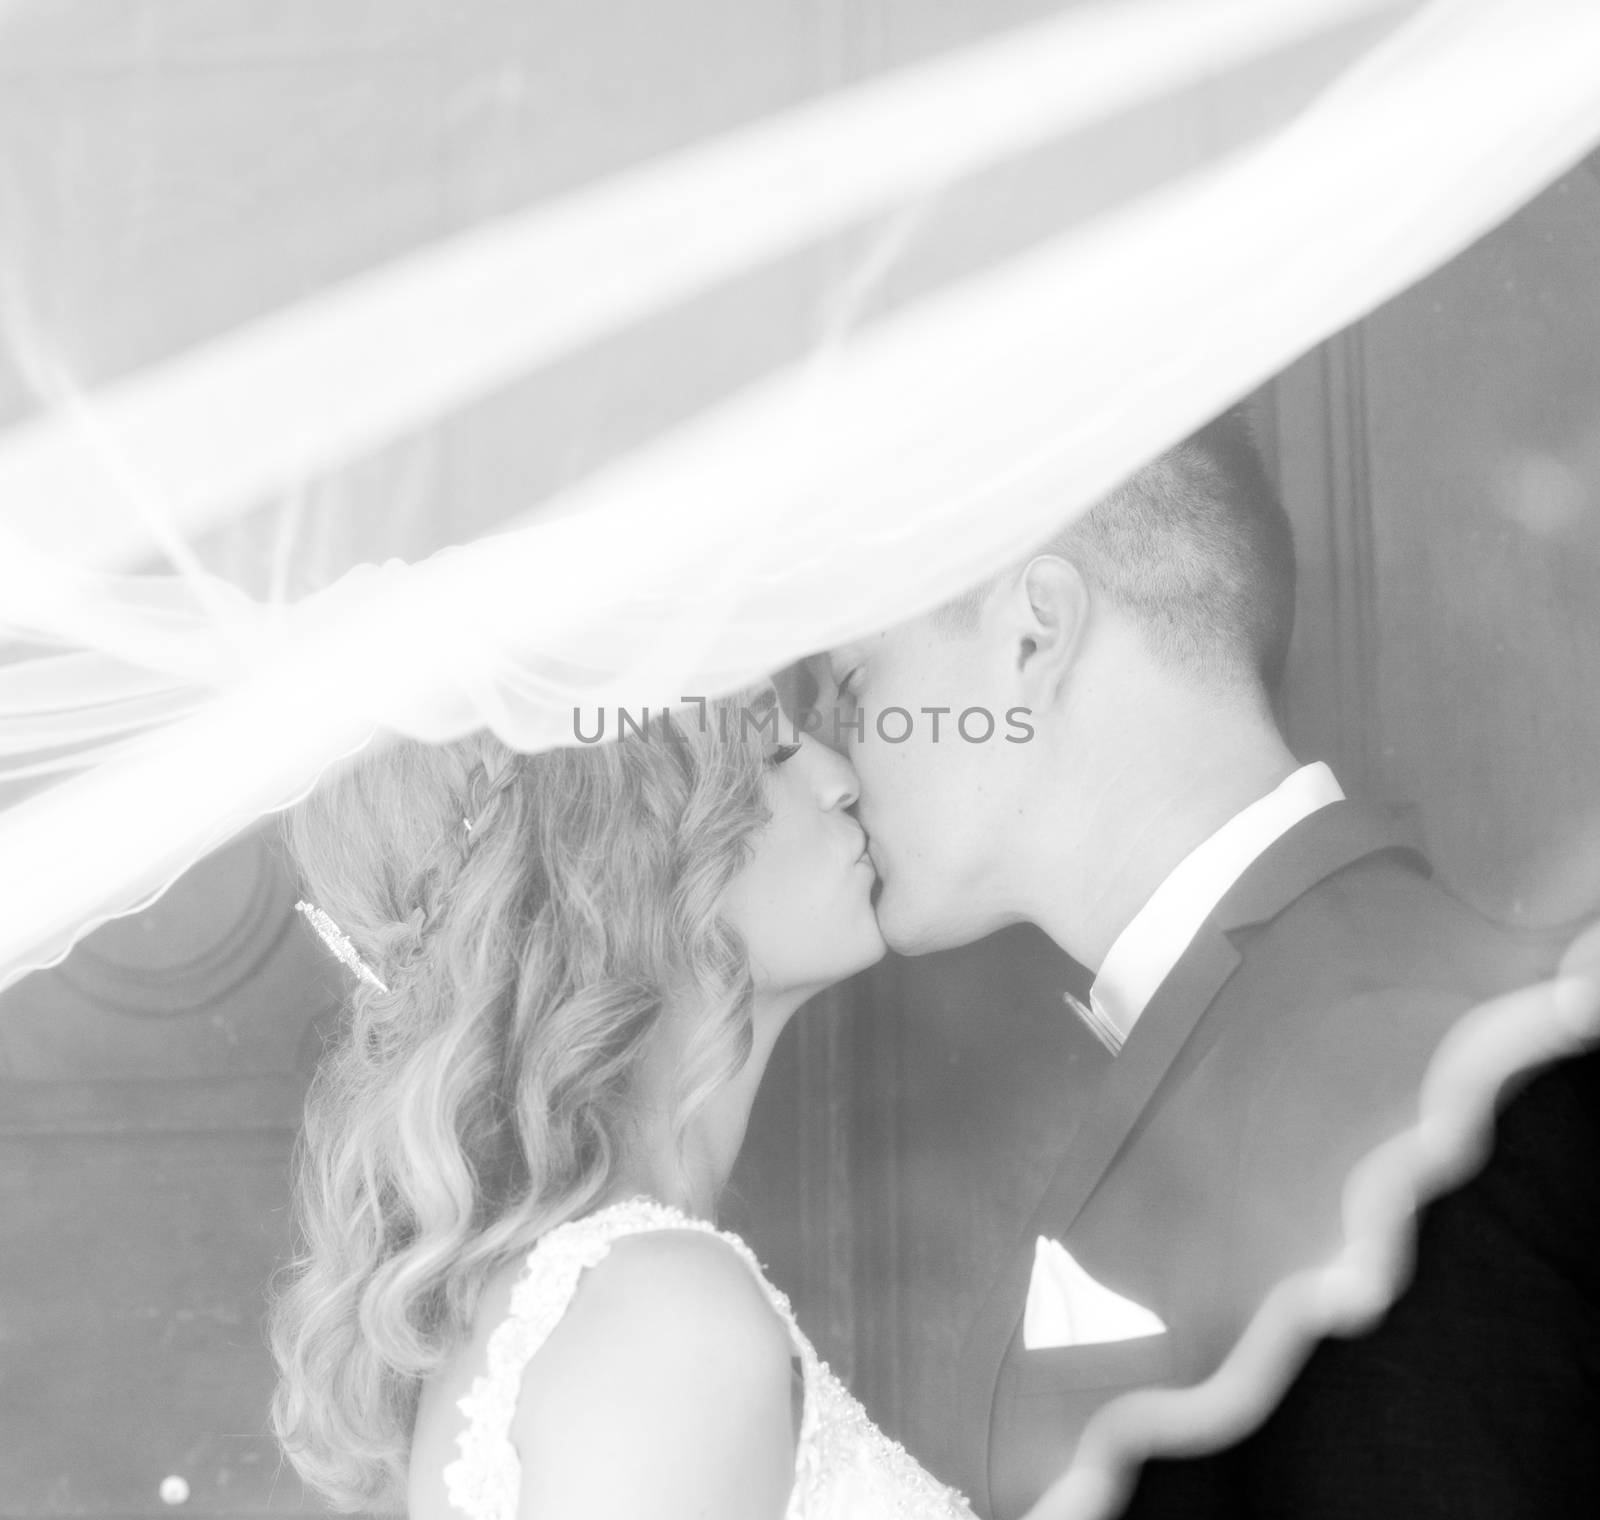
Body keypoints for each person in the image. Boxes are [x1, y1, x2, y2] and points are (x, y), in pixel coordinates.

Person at [824, 409, 1600, 1519]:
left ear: (1035, 637)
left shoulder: (1368, 1048)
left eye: (853, 690)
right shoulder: (1314, 1004)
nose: (840, 765)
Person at [268, 689, 975, 1520]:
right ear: (625, 866)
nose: (840, 778)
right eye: (772, 758)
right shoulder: (661, 1313)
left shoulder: (583, 1299)